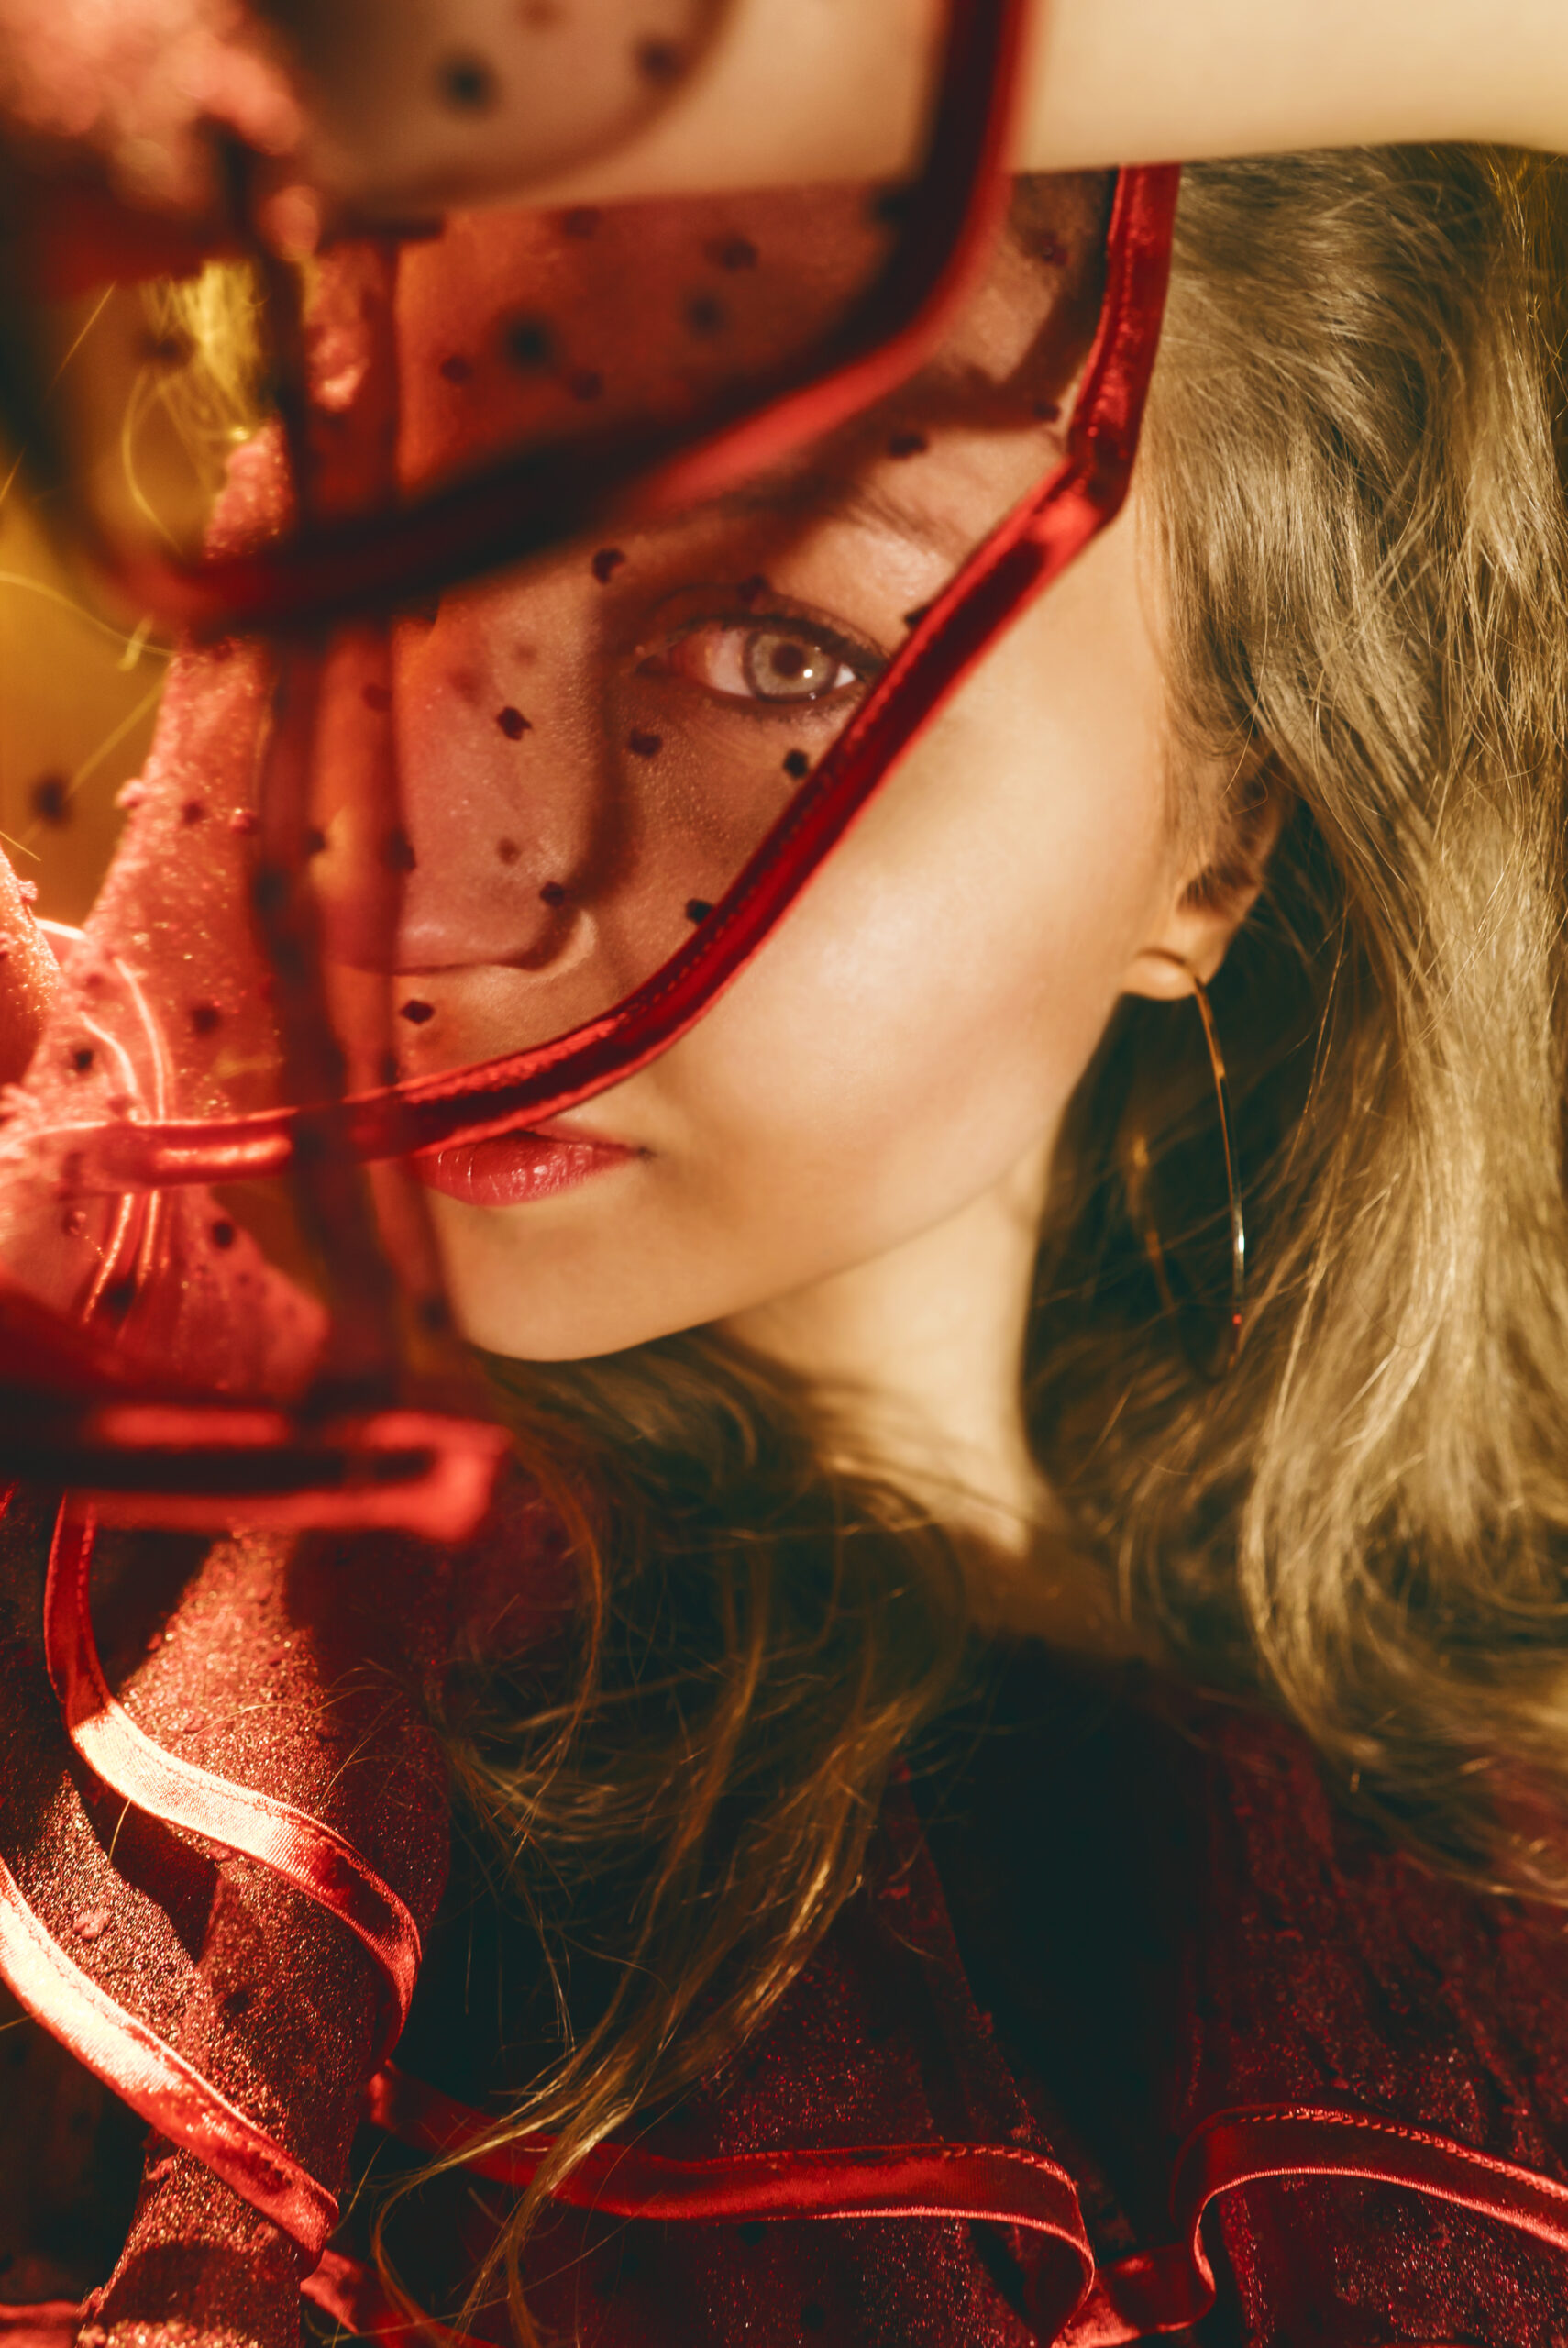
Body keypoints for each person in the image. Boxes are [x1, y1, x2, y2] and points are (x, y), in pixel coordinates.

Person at [5, 8, 1568, 2347]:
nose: (431, 887)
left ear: (1226, 832)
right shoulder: (107, 1546)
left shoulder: (1470, 1900)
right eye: (388, 570)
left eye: (774, 649)